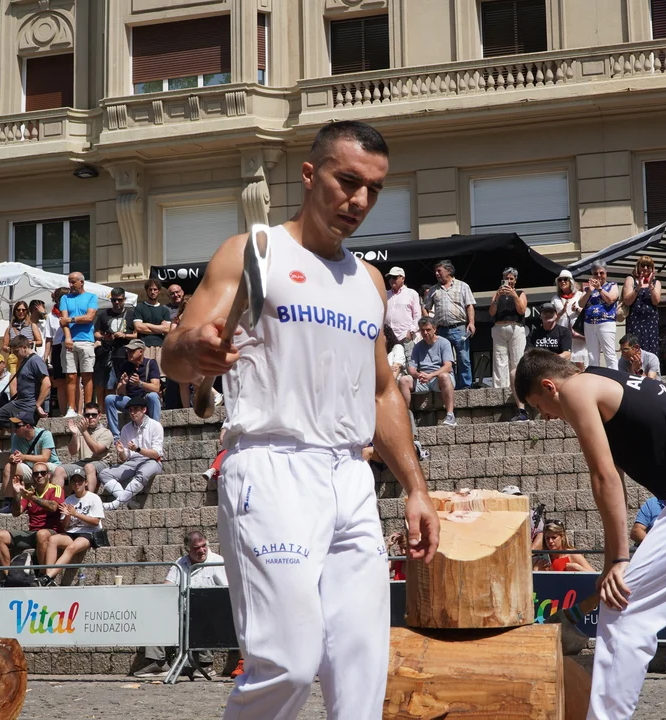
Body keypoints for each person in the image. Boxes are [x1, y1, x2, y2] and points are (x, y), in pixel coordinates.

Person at [161, 120, 438, 720]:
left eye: (373, 189)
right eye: (348, 181)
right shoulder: (252, 251)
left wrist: (416, 488)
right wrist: (196, 349)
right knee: (287, 663)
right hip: (271, 467)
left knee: (363, 668)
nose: (359, 200)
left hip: (351, 477)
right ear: (310, 174)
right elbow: (174, 354)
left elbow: (382, 392)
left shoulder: (368, 281)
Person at [513, 350, 666, 720]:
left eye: (539, 406)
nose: (546, 416)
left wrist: (618, 560)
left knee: (622, 608)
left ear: (550, 386)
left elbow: (604, 477)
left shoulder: (576, 389)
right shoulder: (604, 378)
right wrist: (613, 560)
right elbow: (615, 475)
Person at [134, 530, 228, 679]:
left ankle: (206, 665)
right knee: (155, 613)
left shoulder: (216, 561)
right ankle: (158, 663)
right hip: (181, 611)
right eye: (196, 548)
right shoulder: (180, 563)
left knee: (203, 612)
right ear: (188, 549)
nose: (202, 550)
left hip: (208, 611)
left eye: (204, 546)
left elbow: (226, 591)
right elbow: (167, 586)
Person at [630, 496, 666, 677]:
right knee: (644, 611)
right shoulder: (652, 503)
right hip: (651, 563)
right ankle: (638, 661)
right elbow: (636, 531)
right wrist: (659, 548)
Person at [0, 463, 63, 576]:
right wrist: (17, 494)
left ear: (48, 475)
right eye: (36, 474)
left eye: (42, 473)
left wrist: (32, 498)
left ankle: (42, 576)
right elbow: (16, 513)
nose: (39, 476)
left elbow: (53, 507)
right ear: (32, 477)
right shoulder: (29, 492)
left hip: (51, 533)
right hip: (33, 533)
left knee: (42, 534)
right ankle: (8, 576)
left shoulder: (56, 489)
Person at [39, 470, 104, 586]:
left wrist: (76, 514)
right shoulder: (69, 500)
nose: (77, 484)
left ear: (86, 483)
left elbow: (95, 521)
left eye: (80, 481)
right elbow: (65, 526)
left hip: (89, 532)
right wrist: (68, 516)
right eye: (74, 481)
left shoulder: (94, 498)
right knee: (52, 540)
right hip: (72, 532)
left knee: (71, 548)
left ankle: (47, 577)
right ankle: (48, 577)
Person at [98, 395, 163, 511]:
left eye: (136, 409)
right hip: (132, 462)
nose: (132, 413)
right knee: (104, 474)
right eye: (131, 410)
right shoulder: (126, 429)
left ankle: (115, 504)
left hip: (152, 461)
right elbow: (124, 458)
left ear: (144, 410)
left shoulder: (155, 425)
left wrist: (138, 449)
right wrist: (121, 452)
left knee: (143, 473)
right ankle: (128, 502)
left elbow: (156, 454)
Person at [0, 410, 65, 515]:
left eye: (17, 426)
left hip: (49, 468)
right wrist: (13, 458)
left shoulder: (45, 434)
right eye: (13, 426)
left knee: (42, 467)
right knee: (9, 467)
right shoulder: (16, 437)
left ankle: (52, 501)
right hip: (31, 469)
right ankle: (9, 503)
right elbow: (12, 454)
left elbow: (45, 457)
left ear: (27, 426)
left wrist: (24, 457)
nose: (14, 429)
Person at [0, 334, 50, 453]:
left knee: (19, 425)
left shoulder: (35, 360)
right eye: (13, 352)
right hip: (19, 402)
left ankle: (23, 443)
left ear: (24, 347)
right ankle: (19, 430)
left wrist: (38, 405)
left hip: (30, 404)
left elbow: (47, 383)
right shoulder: (23, 361)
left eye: (16, 351)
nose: (14, 354)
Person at [425, 259, 476, 389]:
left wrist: (471, 323)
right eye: (435, 271)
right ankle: (449, 385)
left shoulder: (463, 286)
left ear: (448, 271)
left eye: (439, 271)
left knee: (463, 358)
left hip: (459, 328)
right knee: (444, 360)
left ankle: (465, 387)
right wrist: (430, 325)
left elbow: (469, 306)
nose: (436, 274)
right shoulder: (433, 289)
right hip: (441, 330)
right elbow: (425, 307)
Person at [400, 318, 457, 426]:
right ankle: (405, 417)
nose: (425, 333)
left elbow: (448, 366)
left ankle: (450, 415)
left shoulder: (444, 343)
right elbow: (411, 368)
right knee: (404, 380)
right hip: (423, 379)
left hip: (438, 379)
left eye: (428, 329)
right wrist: (418, 375)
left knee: (444, 376)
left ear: (435, 329)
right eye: (422, 330)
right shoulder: (417, 346)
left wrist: (431, 375)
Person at [489, 267, 529, 419]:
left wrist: (514, 295)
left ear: (515, 280)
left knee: (517, 359)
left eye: (511, 278)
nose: (509, 281)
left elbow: (522, 310)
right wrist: (497, 297)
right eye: (506, 278)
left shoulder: (520, 293)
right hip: (499, 326)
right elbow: (491, 312)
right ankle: (501, 388)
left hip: (515, 327)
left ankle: (517, 386)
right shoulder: (497, 293)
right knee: (500, 359)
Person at [59, 271, 99, 417]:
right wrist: (68, 337)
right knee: (70, 376)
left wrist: (71, 320)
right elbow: (62, 321)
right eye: (69, 281)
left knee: (87, 375)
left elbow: (89, 317)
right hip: (70, 340)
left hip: (86, 340)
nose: (71, 284)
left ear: (81, 282)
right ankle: (71, 408)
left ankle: (88, 407)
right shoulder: (65, 298)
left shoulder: (91, 297)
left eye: (73, 281)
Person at [105, 339, 162, 438]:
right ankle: (116, 436)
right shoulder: (125, 365)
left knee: (153, 396)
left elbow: (156, 388)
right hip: (130, 400)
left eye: (132, 351)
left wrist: (139, 383)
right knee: (109, 399)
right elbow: (120, 392)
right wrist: (123, 384)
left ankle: (155, 431)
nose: (129, 353)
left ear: (141, 351)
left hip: (145, 400)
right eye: (128, 351)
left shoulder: (151, 363)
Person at [94, 287, 137, 414]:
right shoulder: (104, 314)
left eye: (119, 300)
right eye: (114, 300)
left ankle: (126, 409)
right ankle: (111, 410)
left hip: (126, 355)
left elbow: (137, 334)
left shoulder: (131, 314)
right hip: (109, 355)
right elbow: (96, 333)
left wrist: (125, 335)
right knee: (110, 385)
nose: (116, 302)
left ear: (124, 299)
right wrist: (104, 337)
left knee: (126, 384)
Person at [63, 401, 114, 493]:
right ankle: (55, 500)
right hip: (83, 463)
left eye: (93, 415)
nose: (90, 417)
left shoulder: (105, 432)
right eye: (87, 415)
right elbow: (72, 451)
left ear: (99, 416)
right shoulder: (80, 431)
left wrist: (84, 432)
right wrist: (75, 434)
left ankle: (89, 498)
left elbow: (97, 450)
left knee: (89, 467)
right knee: (59, 470)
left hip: (101, 463)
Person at [580, 262, 621, 369]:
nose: (598, 276)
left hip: (606, 322)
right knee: (592, 355)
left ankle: (614, 376)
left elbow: (611, 299)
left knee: (609, 354)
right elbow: (581, 304)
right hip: (589, 323)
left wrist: (600, 289)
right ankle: (595, 376)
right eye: (595, 273)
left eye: (601, 273)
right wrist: (589, 291)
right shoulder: (588, 289)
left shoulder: (612, 286)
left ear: (606, 273)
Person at [621, 256, 661, 355]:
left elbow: (656, 301)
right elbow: (627, 301)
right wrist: (638, 287)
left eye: (648, 266)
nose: (645, 268)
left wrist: (651, 286)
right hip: (635, 320)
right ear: (638, 267)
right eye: (643, 265)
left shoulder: (656, 283)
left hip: (650, 322)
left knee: (651, 349)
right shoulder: (630, 280)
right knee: (634, 348)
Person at [551, 269, 587, 368]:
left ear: (570, 281)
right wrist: (561, 312)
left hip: (577, 332)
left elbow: (587, 313)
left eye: (565, 279)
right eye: (560, 280)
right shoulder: (555, 299)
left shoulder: (580, 295)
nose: (562, 282)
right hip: (563, 333)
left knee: (580, 362)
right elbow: (553, 318)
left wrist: (577, 309)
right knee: (566, 362)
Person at [134, 279, 172, 370]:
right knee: (146, 372)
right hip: (144, 346)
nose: (152, 292)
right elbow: (138, 327)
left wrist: (147, 324)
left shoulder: (164, 310)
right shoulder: (139, 308)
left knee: (161, 374)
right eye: (150, 289)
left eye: (155, 289)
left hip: (160, 346)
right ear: (146, 291)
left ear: (159, 291)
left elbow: (167, 329)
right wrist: (159, 329)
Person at [44, 288, 70, 417]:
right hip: (57, 347)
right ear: (58, 300)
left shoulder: (71, 313)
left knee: (73, 379)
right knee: (60, 382)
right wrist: (46, 356)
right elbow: (49, 338)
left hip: (70, 346)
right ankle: (63, 412)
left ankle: (76, 410)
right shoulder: (51, 316)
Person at [385, 267, 421, 358]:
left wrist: (411, 331)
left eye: (394, 277)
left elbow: (417, 315)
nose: (391, 280)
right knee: (390, 362)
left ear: (403, 278)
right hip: (389, 337)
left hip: (404, 335)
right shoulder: (385, 294)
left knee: (409, 361)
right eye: (390, 277)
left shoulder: (412, 293)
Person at [2, 301, 41, 377]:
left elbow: (40, 342)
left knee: (28, 378)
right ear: (15, 311)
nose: (21, 312)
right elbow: (4, 345)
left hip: (28, 357)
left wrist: (32, 342)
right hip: (14, 359)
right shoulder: (10, 328)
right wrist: (9, 348)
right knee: (14, 379)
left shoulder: (32, 325)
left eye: (23, 310)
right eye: (18, 310)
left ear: (27, 311)